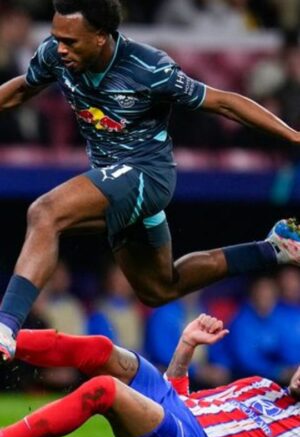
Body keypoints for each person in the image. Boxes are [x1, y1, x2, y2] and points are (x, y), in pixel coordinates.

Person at [1, 0, 300, 362]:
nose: (60, 48)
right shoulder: (54, 55)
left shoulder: (148, 66)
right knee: (159, 289)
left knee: (46, 212)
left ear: (100, 37)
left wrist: (294, 136)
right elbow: (21, 89)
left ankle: (5, 327)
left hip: (148, 175)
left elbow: (223, 103)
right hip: (113, 183)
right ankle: (274, 248)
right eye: (56, 38)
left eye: (71, 41)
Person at [0, 313, 299, 437]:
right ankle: (5, 339)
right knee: (100, 349)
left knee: (105, 390)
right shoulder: (262, 385)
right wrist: (185, 347)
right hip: (177, 411)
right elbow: (182, 400)